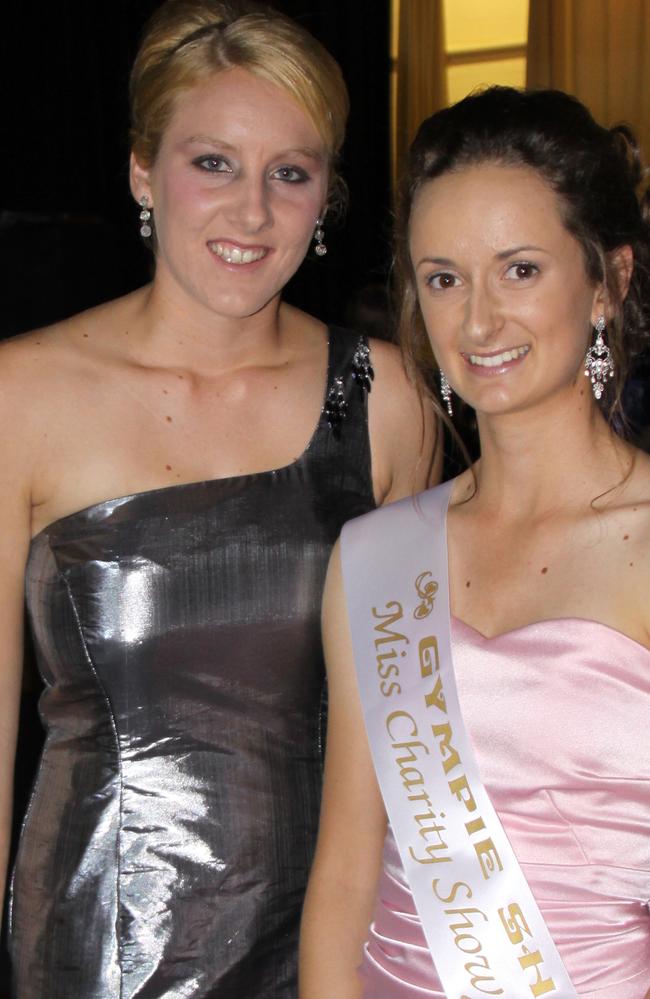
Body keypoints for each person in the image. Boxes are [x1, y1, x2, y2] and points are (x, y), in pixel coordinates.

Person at [0, 2, 436, 996]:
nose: (252, 213)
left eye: (290, 172)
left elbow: (417, 721)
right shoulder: (20, 395)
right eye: (213, 164)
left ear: (325, 194)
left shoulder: (387, 399)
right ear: (141, 171)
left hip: (335, 942)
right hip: (97, 950)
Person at [300, 87, 650, 998]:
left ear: (609, 280)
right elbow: (344, 877)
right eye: (444, 277)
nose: (479, 321)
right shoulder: (376, 556)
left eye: (521, 269)